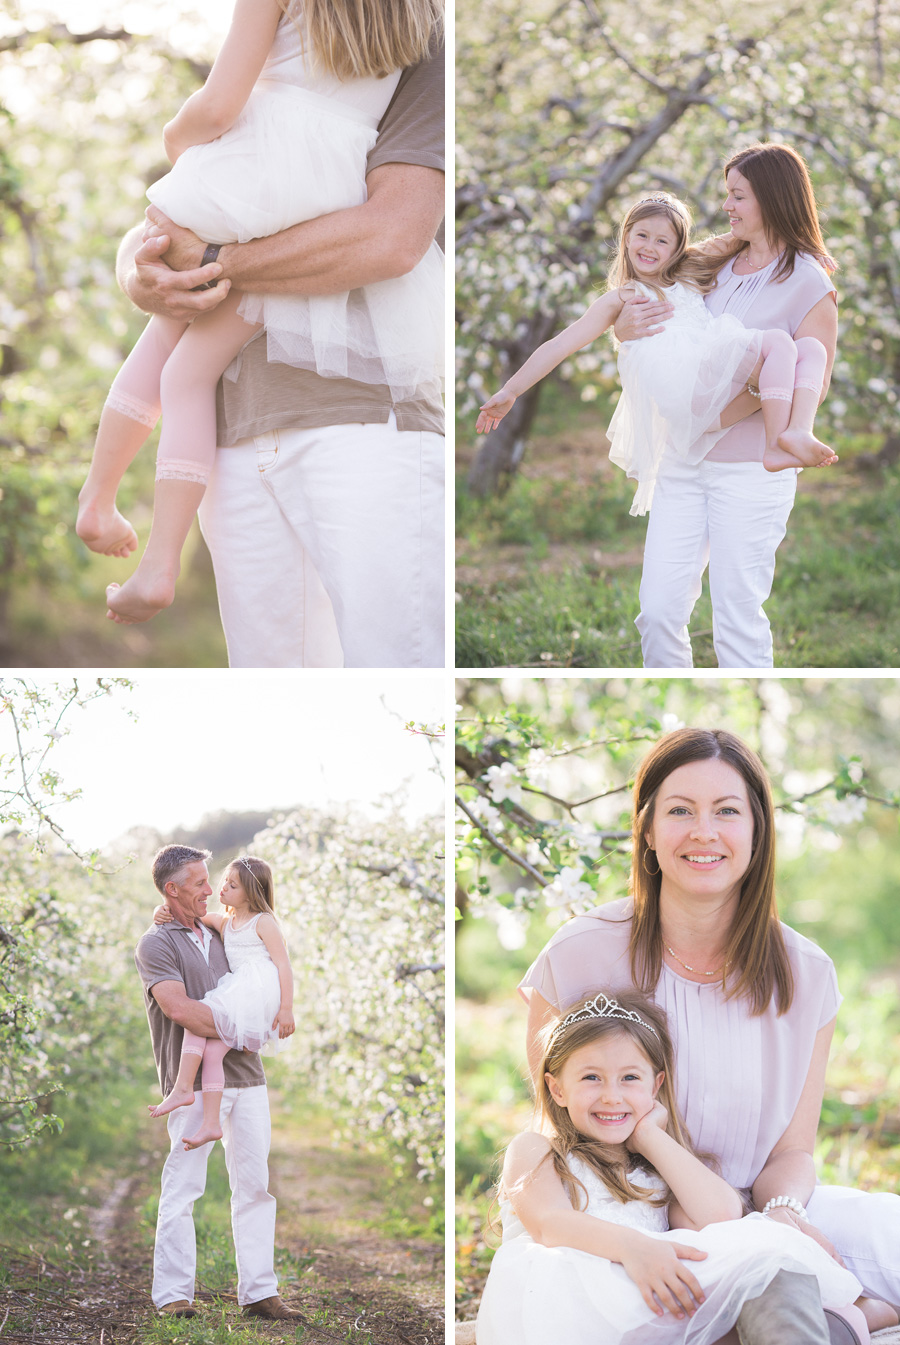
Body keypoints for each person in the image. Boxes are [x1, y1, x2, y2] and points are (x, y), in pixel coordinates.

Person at [520, 728, 900, 1345]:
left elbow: (791, 1154)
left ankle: (842, 1319)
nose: (704, 832)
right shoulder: (579, 955)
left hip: (758, 1208)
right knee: (756, 1281)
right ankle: (839, 1324)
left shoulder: (806, 974)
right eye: (679, 811)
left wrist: (784, 1214)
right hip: (635, 1217)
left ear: (757, 832)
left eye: (727, 811)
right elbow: (555, 1120)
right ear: (646, 831)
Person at [77, 0, 443, 633]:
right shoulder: (421, 14)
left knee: (171, 354)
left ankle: (114, 516)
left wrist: (176, 140)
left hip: (259, 166)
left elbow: (219, 107)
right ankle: (133, 537)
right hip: (327, 185)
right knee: (179, 356)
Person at [477, 989, 872, 1345]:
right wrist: (634, 1248)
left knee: (764, 1261)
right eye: (591, 1078)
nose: (612, 1096)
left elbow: (721, 1217)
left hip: (653, 1303)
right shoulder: (537, 1150)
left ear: (656, 1084)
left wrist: (651, 1137)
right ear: (557, 1089)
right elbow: (551, 1223)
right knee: (795, 1305)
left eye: (630, 1078)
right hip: (571, 1306)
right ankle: (858, 1320)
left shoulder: (653, 1172)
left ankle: (840, 1324)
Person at [616, 144, 838, 668]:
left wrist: (717, 417)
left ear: (773, 198)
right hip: (683, 464)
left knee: (737, 618)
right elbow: (662, 325)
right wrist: (625, 329)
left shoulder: (810, 281)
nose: (729, 207)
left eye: (738, 196)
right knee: (658, 613)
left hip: (749, 472)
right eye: (728, 194)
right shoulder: (716, 261)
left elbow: (815, 376)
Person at [476, 191, 834, 517]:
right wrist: (511, 390)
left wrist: (806, 249)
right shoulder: (622, 297)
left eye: (663, 241)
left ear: (678, 248)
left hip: (708, 389)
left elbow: (741, 236)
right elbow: (561, 344)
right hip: (683, 393)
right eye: (642, 235)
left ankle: (797, 432)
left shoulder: (687, 272)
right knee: (779, 344)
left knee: (811, 350)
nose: (650, 247)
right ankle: (776, 443)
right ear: (627, 237)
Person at [134, 844, 301, 1321]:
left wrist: (265, 1018)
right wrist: (246, 1028)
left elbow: (266, 977)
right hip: (190, 1079)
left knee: (255, 1186)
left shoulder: (226, 931)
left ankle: (259, 1292)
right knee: (183, 1187)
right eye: (200, 883)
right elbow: (179, 1010)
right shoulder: (157, 943)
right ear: (172, 889)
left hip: (246, 1077)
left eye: (214, 881)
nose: (210, 890)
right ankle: (173, 1295)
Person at [148, 855, 294, 1153]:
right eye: (222, 881)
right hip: (241, 993)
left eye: (232, 885)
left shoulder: (263, 922)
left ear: (251, 892)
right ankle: (211, 1123)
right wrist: (159, 909)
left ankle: (182, 1088)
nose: (220, 889)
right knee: (212, 1053)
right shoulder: (224, 923)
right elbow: (188, 916)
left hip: (256, 995)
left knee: (198, 1018)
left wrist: (286, 1008)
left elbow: (284, 965)